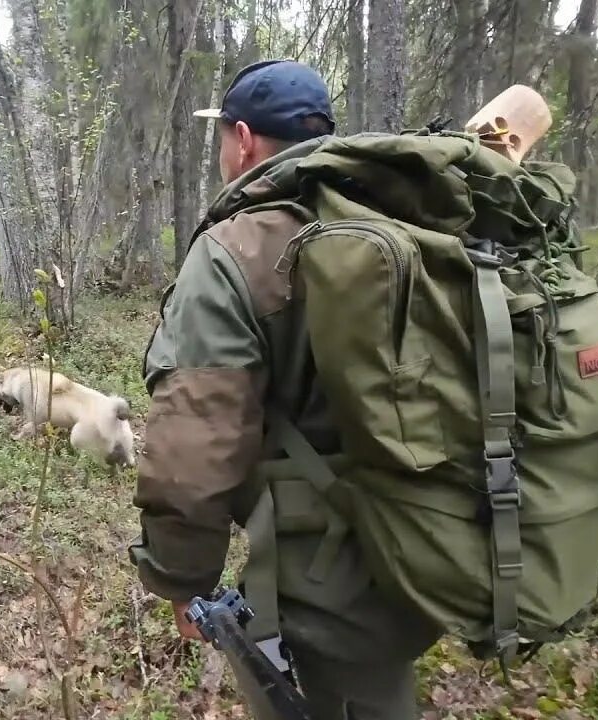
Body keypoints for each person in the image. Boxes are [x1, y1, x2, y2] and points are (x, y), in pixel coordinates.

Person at [128, 59, 444, 720]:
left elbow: (192, 445)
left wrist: (183, 578)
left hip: (323, 578)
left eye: (222, 139)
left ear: (243, 140)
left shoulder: (234, 252)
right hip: (425, 544)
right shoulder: (398, 222)